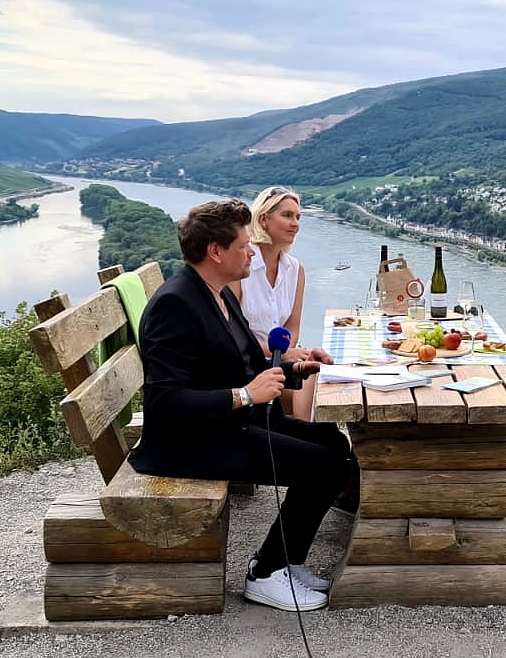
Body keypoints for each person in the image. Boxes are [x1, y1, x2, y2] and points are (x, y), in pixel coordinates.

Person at [129, 198, 350, 612]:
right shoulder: (176, 305)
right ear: (215, 251)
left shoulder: (218, 294)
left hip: (229, 424)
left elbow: (252, 362)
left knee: (333, 443)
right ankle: (266, 574)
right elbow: (165, 402)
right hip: (190, 443)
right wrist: (246, 395)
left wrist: (301, 368)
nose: (252, 250)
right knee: (323, 467)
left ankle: (284, 562)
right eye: (244, 244)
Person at [233, 186, 315, 420]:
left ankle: (302, 434)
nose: (296, 223)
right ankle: (302, 436)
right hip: (247, 364)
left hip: (279, 360)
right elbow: (233, 335)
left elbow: (293, 326)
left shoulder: (295, 269)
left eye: (298, 217)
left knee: (317, 371)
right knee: (311, 379)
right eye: (287, 215)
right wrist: (281, 353)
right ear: (263, 220)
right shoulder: (241, 266)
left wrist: (286, 353)